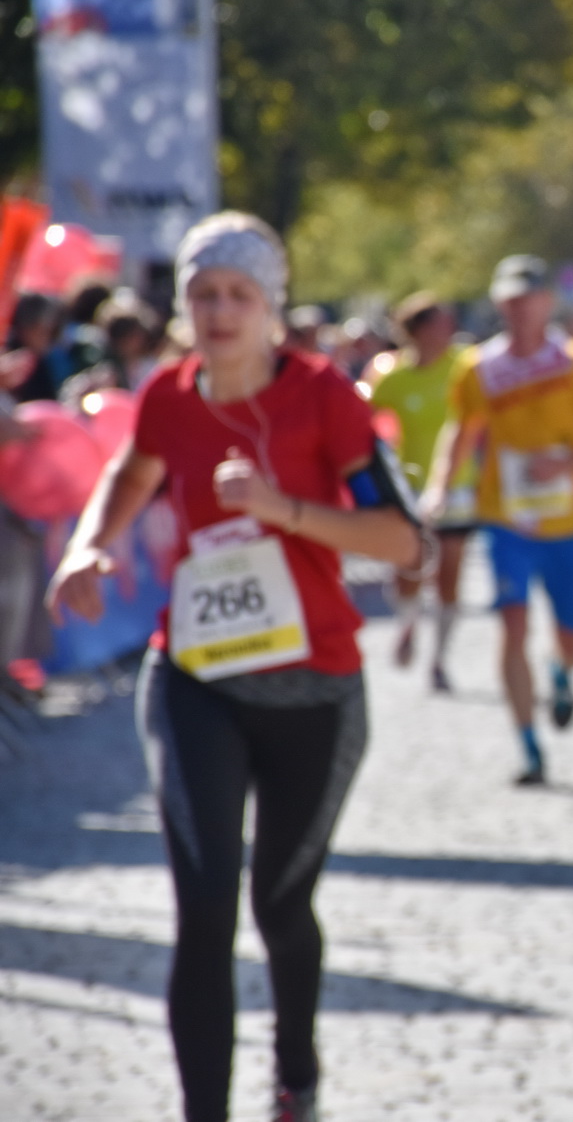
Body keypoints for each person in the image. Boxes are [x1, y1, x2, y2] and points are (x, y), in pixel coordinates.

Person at [44, 212, 422, 1122]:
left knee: (279, 907)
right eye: (203, 293)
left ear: (270, 307)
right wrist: (90, 548)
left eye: (238, 294)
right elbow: (131, 473)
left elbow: (402, 540)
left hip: (314, 689)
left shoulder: (325, 395)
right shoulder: (172, 396)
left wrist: (283, 507)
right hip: (195, 679)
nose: (219, 311)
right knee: (206, 908)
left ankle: (297, 1075)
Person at [422, 255, 573, 786]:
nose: (519, 308)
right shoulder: (478, 369)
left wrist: (567, 464)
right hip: (507, 519)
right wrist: (440, 487)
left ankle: (561, 671)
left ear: (547, 303)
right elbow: (461, 430)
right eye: (510, 299)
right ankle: (529, 748)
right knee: (511, 624)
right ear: (499, 304)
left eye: (529, 297)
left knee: (572, 637)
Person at [368, 292, 475, 690]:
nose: (449, 330)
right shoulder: (393, 377)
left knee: (449, 572)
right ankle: (409, 624)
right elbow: (364, 424)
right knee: (409, 570)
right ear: (418, 331)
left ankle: (440, 659)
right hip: (408, 488)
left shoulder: (464, 367)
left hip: (459, 486)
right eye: (440, 323)